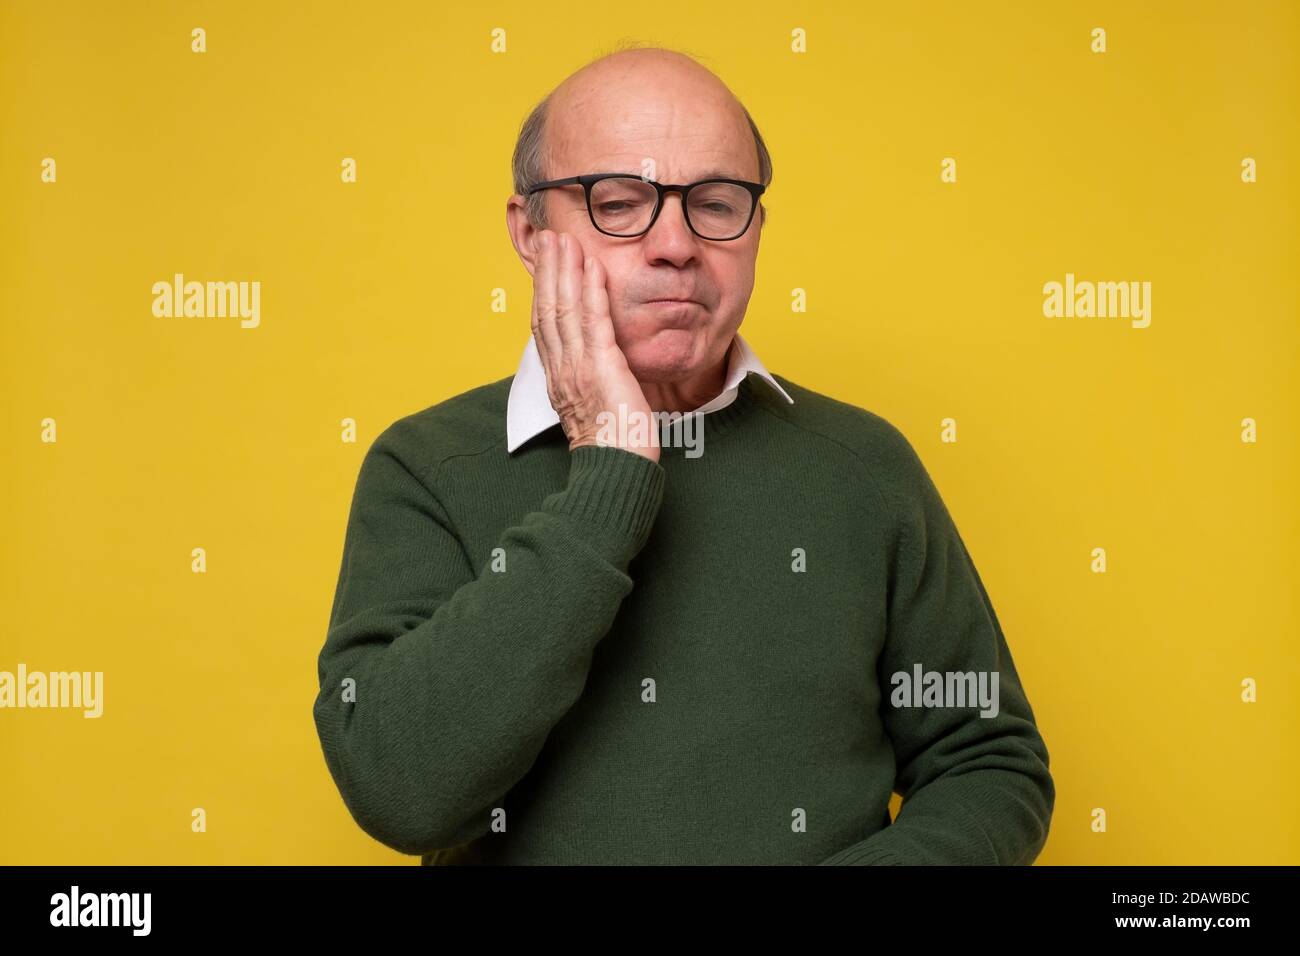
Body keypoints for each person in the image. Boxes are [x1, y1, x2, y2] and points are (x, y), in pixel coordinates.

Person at [312, 44, 1054, 865]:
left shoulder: (863, 465)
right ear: (530, 232)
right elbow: (399, 790)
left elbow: (990, 763)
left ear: (757, 228)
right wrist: (611, 471)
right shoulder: (427, 467)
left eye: (715, 201)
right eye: (620, 202)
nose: (676, 244)